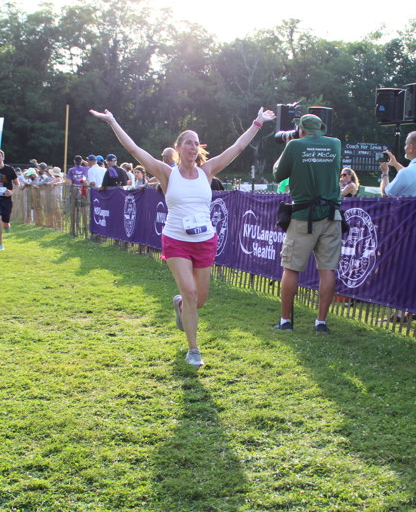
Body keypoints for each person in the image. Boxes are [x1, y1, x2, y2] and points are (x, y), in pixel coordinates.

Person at [90, 105, 275, 367]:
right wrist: (112, 121)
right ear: (178, 148)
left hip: (205, 240)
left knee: (199, 300)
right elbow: (134, 150)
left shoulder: (207, 171)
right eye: (188, 142)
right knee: (190, 292)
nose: (193, 146)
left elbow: (237, 148)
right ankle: (194, 350)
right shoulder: (167, 173)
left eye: (196, 143)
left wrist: (257, 122)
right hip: (176, 239)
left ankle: (180, 307)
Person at [272, 113, 343, 334]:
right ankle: (321, 323)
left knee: (291, 268)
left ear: (301, 130)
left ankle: (285, 321)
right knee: (327, 269)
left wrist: (287, 146)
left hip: (303, 216)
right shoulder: (335, 144)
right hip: (331, 216)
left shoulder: (294, 146)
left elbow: (277, 175)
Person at [379, 131, 416, 197]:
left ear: (411, 147)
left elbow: (386, 193)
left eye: (406, 144)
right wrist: (395, 164)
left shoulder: (406, 173)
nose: (404, 147)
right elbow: (411, 176)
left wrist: (385, 173)